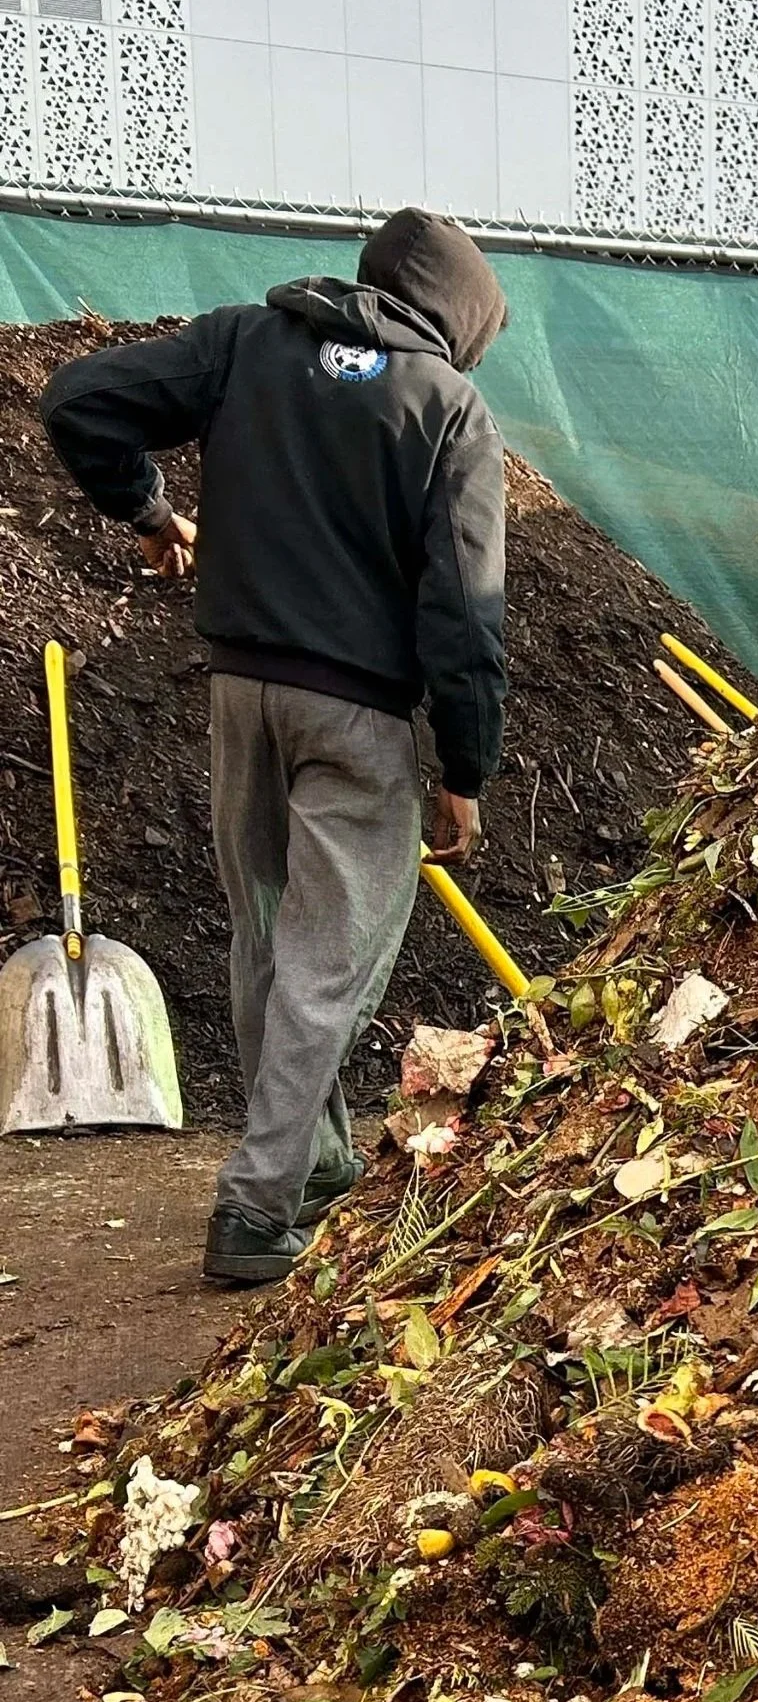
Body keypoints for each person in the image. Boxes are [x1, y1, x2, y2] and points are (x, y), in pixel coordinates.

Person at [40, 207, 510, 1284]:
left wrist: (151, 515)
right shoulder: (447, 407)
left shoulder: (248, 341)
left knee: (267, 940)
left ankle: (317, 1159)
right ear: (461, 317)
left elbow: (80, 401)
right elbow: (465, 611)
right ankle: (255, 1213)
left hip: (242, 693)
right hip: (357, 720)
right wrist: (466, 768)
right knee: (329, 965)